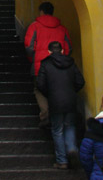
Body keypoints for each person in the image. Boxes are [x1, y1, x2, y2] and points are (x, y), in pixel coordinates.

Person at [36, 41, 85, 169]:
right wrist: (72, 91)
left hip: (55, 101)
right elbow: (80, 81)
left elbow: (40, 84)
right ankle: (72, 149)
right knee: (70, 127)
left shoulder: (46, 64)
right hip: (70, 101)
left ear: (49, 51)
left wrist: (50, 94)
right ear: (62, 50)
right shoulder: (71, 63)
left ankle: (62, 160)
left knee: (57, 130)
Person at [24, 1, 72, 126]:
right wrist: (62, 60)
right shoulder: (62, 29)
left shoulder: (34, 26)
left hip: (40, 66)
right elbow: (68, 48)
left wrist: (33, 60)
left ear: (42, 12)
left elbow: (29, 47)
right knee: (56, 89)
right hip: (60, 67)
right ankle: (58, 115)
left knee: (39, 89)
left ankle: (45, 114)